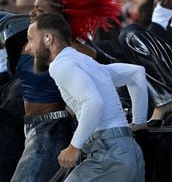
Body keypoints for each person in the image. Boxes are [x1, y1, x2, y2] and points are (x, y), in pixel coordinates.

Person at [11, 0, 123, 182]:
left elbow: (109, 71)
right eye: (33, 9)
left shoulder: (74, 50)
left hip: (50, 130)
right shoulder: (29, 36)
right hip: (31, 129)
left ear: (57, 17)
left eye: (39, 10)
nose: (32, 14)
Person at [27, 12, 147, 181]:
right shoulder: (87, 63)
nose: (27, 47)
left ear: (48, 38)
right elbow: (136, 73)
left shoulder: (61, 64)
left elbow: (93, 103)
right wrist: (139, 121)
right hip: (130, 152)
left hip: (109, 156)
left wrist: (74, 146)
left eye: (31, 39)